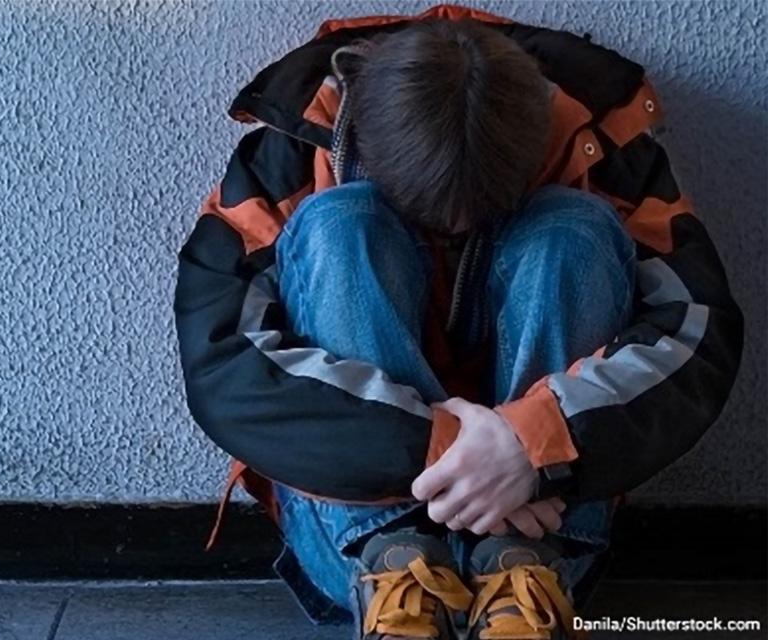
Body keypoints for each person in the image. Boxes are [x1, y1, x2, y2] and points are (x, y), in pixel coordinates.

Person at [174, 7, 743, 640]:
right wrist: (466, 449)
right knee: (338, 226)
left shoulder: (601, 142)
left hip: (548, 522)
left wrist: (534, 448)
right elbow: (223, 365)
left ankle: (524, 578)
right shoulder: (291, 148)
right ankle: (400, 571)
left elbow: (696, 337)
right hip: (360, 532)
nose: (454, 233)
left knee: (572, 230)